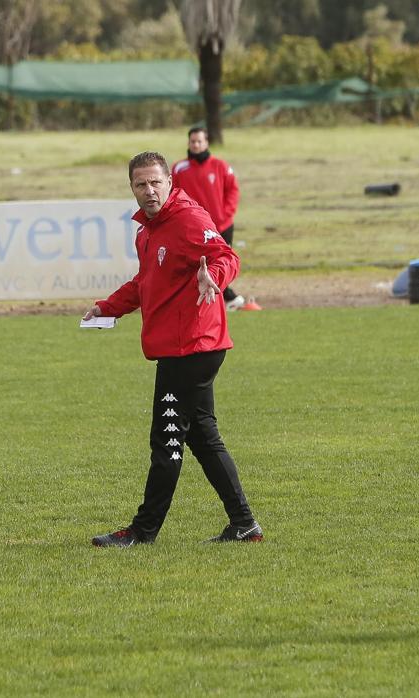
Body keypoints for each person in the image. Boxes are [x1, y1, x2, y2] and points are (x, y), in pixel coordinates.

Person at [86, 151, 262, 546]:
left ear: (169, 182)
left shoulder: (188, 218)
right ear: (131, 188)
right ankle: (244, 523)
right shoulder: (147, 230)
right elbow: (145, 283)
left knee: (166, 440)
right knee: (201, 436)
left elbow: (226, 257)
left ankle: (142, 531)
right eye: (140, 184)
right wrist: (107, 308)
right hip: (182, 346)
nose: (149, 191)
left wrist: (212, 277)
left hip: (193, 347)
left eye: (155, 183)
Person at [171, 127, 256, 311]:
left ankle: (224, 298)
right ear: (188, 143)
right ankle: (221, 299)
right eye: (193, 141)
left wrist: (225, 215)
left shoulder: (221, 166)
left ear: (206, 142)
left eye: (199, 141)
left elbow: (233, 191)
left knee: (222, 262)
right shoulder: (179, 168)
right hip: (193, 228)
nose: (196, 145)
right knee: (198, 263)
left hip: (221, 225)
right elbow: (173, 194)